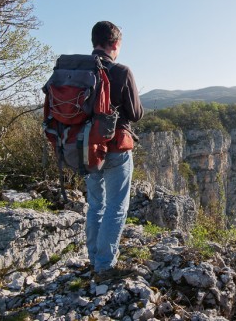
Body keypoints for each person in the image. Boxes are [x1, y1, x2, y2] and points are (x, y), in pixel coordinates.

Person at [85, 21, 144, 281]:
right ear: (115, 44)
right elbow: (135, 114)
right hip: (115, 149)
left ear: (94, 42)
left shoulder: (80, 69)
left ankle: (93, 258)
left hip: (87, 149)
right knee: (116, 206)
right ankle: (104, 265)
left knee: (95, 204)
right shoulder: (121, 70)